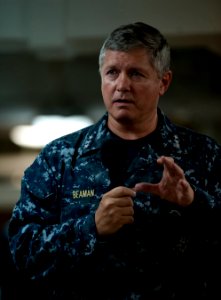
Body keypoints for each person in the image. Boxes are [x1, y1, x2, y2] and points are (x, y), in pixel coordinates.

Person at [8, 22, 221, 299]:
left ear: (163, 82)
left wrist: (195, 205)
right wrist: (90, 227)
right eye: (112, 72)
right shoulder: (58, 159)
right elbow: (22, 252)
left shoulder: (203, 155)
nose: (122, 85)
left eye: (135, 73)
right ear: (101, 79)